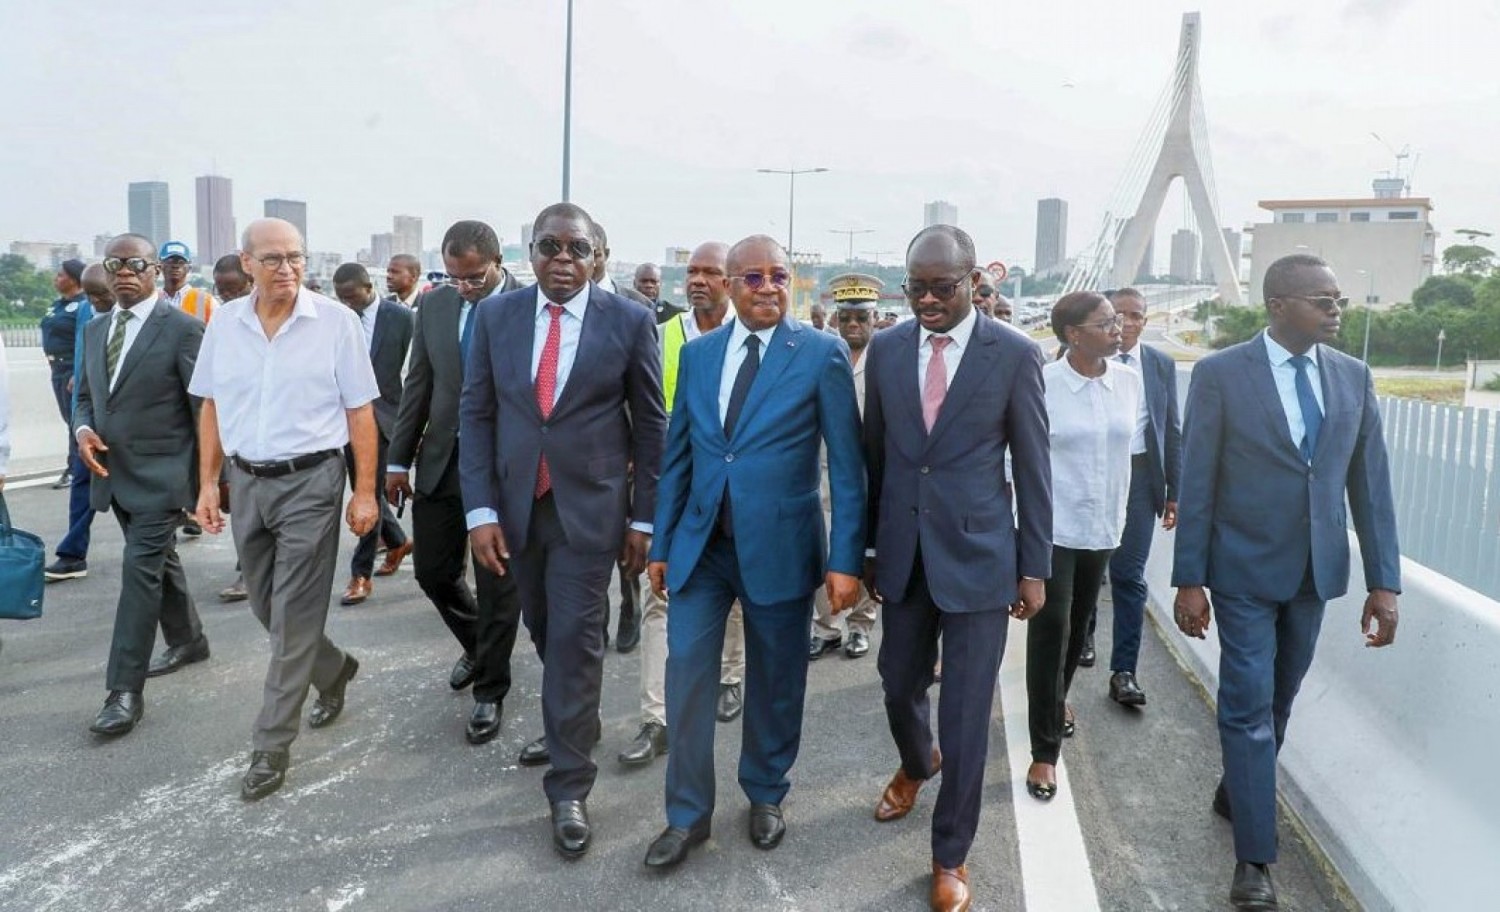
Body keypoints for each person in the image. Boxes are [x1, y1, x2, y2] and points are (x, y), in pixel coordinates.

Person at [1171, 254, 1400, 910]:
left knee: (1278, 699)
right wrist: (1190, 579)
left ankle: (1235, 790)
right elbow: (1198, 479)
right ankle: (1255, 862)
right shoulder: (1220, 375)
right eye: (1323, 301)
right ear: (1278, 305)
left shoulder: (1354, 378)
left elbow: (1371, 489)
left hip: (1315, 574)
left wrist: (1384, 584)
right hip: (1241, 570)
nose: (1336, 311)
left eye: (1339, 301)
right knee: (1246, 702)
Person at [641, 234, 862, 871]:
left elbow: (846, 470)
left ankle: (766, 790)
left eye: (779, 276)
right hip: (702, 546)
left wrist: (845, 560)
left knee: (777, 680)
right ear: (732, 286)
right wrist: (662, 542)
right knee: (686, 678)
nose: (768, 288)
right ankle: (687, 817)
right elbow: (679, 454)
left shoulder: (821, 354)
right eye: (754, 278)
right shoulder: (703, 354)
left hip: (782, 547)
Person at [461, 202, 666, 858]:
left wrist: (644, 517)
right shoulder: (496, 317)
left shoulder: (630, 322)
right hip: (517, 510)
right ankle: (573, 716)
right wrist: (481, 511)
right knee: (546, 630)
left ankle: (569, 782)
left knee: (577, 640)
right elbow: (478, 413)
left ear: (595, 258)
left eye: (576, 249)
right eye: (549, 246)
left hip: (592, 510)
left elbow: (651, 425)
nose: (562, 259)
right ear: (530, 252)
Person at [862, 225, 1051, 912]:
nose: (928, 301)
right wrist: (870, 552)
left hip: (980, 559)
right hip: (905, 556)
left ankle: (951, 855)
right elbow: (875, 460)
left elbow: (1033, 465)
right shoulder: (885, 350)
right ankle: (918, 762)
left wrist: (1034, 565)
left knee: (968, 715)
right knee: (895, 684)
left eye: (942, 288)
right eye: (916, 288)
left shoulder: (1014, 354)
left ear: (973, 282)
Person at [191, 217, 381, 801]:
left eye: (295, 258)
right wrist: (206, 485)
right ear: (245, 264)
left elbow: (360, 414)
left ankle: (270, 744)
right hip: (247, 483)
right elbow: (213, 406)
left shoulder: (336, 324)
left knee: (293, 615)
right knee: (265, 606)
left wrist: (365, 490)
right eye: (272, 259)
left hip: (312, 483)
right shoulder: (224, 324)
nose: (286, 270)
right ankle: (333, 669)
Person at [387, 219, 524, 744]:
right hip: (443, 459)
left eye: (473, 277)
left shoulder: (527, 306)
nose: (463, 286)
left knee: (498, 584)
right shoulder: (436, 305)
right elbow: (418, 382)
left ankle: (491, 690)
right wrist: (399, 460)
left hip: (503, 466)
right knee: (433, 572)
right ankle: (478, 645)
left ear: (496, 262)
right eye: (453, 277)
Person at [618, 241, 747, 770]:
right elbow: (645, 408)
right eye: (691, 272)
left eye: (710, 273)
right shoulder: (664, 334)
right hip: (676, 486)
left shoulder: (749, 335)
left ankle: (731, 676)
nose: (698, 281)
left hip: (733, 494)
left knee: (734, 593)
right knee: (660, 595)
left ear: (731, 281)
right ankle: (657, 718)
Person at [74, 234, 208, 737]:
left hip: (164, 475)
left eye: (136, 264)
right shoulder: (94, 329)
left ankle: (123, 690)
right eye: (116, 264)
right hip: (112, 473)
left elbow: (203, 412)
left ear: (154, 271)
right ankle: (190, 639)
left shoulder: (183, 329)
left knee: (139, 572)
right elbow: (86, 399)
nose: (125, 272)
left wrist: (209, 484)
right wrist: (83, 431)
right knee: (159, 561)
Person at [1024, 291, 1144, 804]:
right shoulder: (1043, 384)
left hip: (1103, 524)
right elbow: (1019, 457)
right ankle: (1044, 750)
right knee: (1051, 627)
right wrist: (1018, 525)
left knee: (1079, 627)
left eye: (1118, 321)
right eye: (1107, 322)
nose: (1118, 329)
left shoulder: (1130, 384)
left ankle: (1058, 700)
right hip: (1052, 524)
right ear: (1074, 334)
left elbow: (1131, 453)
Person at [1100, 287, 1180, 706]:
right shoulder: (1077, 358)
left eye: (1137, 315)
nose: (1128, 323)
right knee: (1087, 572)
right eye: (1120, 314)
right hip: (1091, 478)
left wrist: (1174, 492)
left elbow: (1172, 429)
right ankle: (1082, 640)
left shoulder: (1160, 365)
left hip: (1140, 478)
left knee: (1129, 575)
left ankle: (1124, 671)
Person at [332, 263, 414, 606]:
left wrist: (414, 426)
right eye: (341, 299)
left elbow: (415, 373)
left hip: (386, 418)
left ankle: (360, 573)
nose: (348, 304)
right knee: (365, 487)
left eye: (352, 297)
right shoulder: (336, 319)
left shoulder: (402, 318)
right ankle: (397, 541)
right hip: (348, 419)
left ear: (369, 288)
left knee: (366, 493)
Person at [808, 273, 881, 661]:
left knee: (865, 549)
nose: (853, 325)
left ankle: (860, 624)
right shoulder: (822, 355)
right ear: (836, 319)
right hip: (823, 471)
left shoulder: (887, 359)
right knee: (826, 548)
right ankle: (826, 626)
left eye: (862, 318)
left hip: (869, 475)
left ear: (875, 319)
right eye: (846, 317)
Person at [589, 220, 650, 651]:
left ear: (603, 254)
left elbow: (645, 394)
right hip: (582, 457)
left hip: (627, 453)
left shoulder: (636, 308)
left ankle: (630, 607)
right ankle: (598, 617)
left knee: (626, 543)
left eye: (587, 250)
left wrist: (637, 450)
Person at [45, 264, 113, 583]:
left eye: (102, 294)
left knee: (142, 495)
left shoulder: (150, 317)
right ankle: (73, 554)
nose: (97, 301)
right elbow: (81, 353)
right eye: (91, 294)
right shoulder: (86, 310)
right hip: (89, 417)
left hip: (134, 426)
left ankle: (161, 550)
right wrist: (78, 421)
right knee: (82, 479)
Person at [209, 260, 255, 603]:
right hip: (232, 435)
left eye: (233, 289)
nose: (226, 296)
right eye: (220, 289)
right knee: (238, 505)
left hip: (271, 441)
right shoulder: (222, 322)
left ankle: (249, 571)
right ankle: (249, 569)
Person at [40, 258, 89, 489]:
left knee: (74, 420)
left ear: (74, 279)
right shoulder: (57, 305)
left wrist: (78, 373)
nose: (56, 279)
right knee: (67, 419)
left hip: (71, 369)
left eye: (60, 275)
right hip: (56, 369)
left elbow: (84, 339)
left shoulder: (83, 306)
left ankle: (74, 468)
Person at [159, 241, 217, 322]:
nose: (175, 266)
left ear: (189, 267)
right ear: (160, 265)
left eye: (181, 262)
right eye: (170, 261)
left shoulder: (206, 301)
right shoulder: (152, 299)